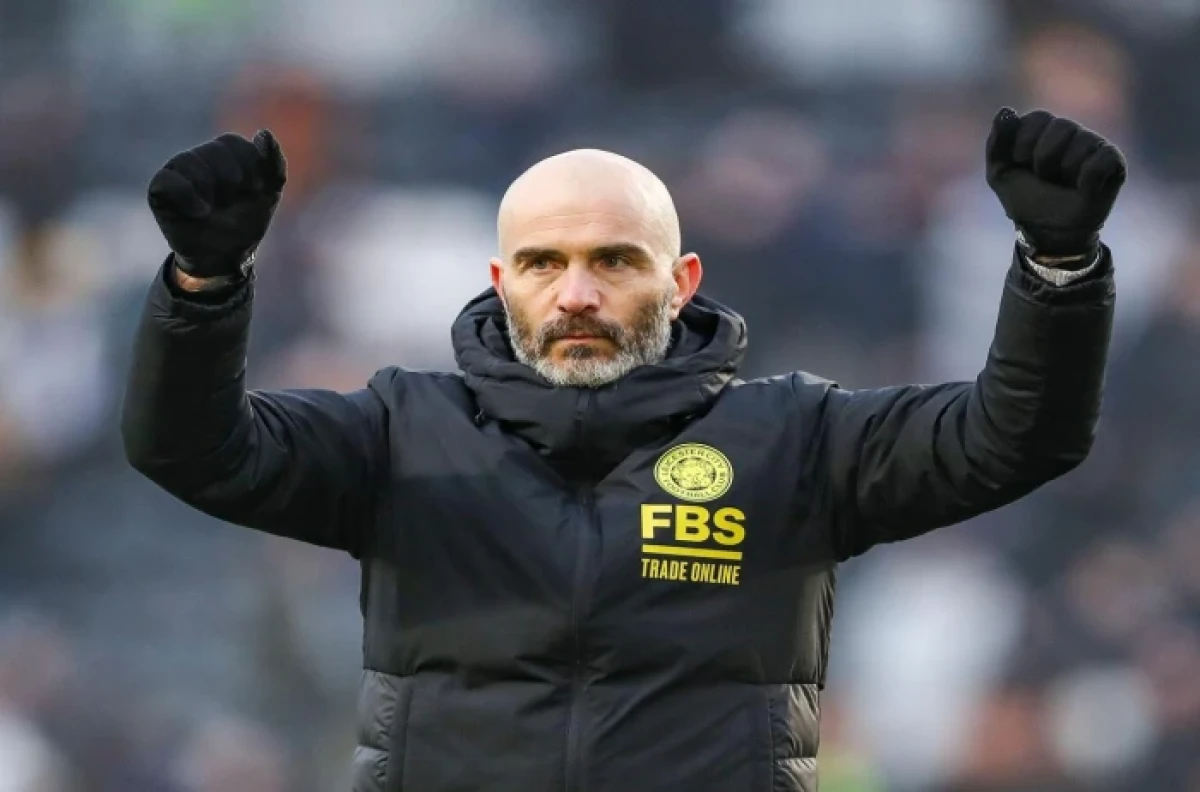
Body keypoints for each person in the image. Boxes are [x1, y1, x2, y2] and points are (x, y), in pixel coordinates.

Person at [122, 107, 1125, 792]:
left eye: (614, 260)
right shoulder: (398, 430)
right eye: (544, 262)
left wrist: (1059, 271)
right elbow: (191, 447)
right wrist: (204, 291)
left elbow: (1015, 436)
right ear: (500, 278)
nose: (576, 294)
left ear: (681, 279)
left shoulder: (795, 440)